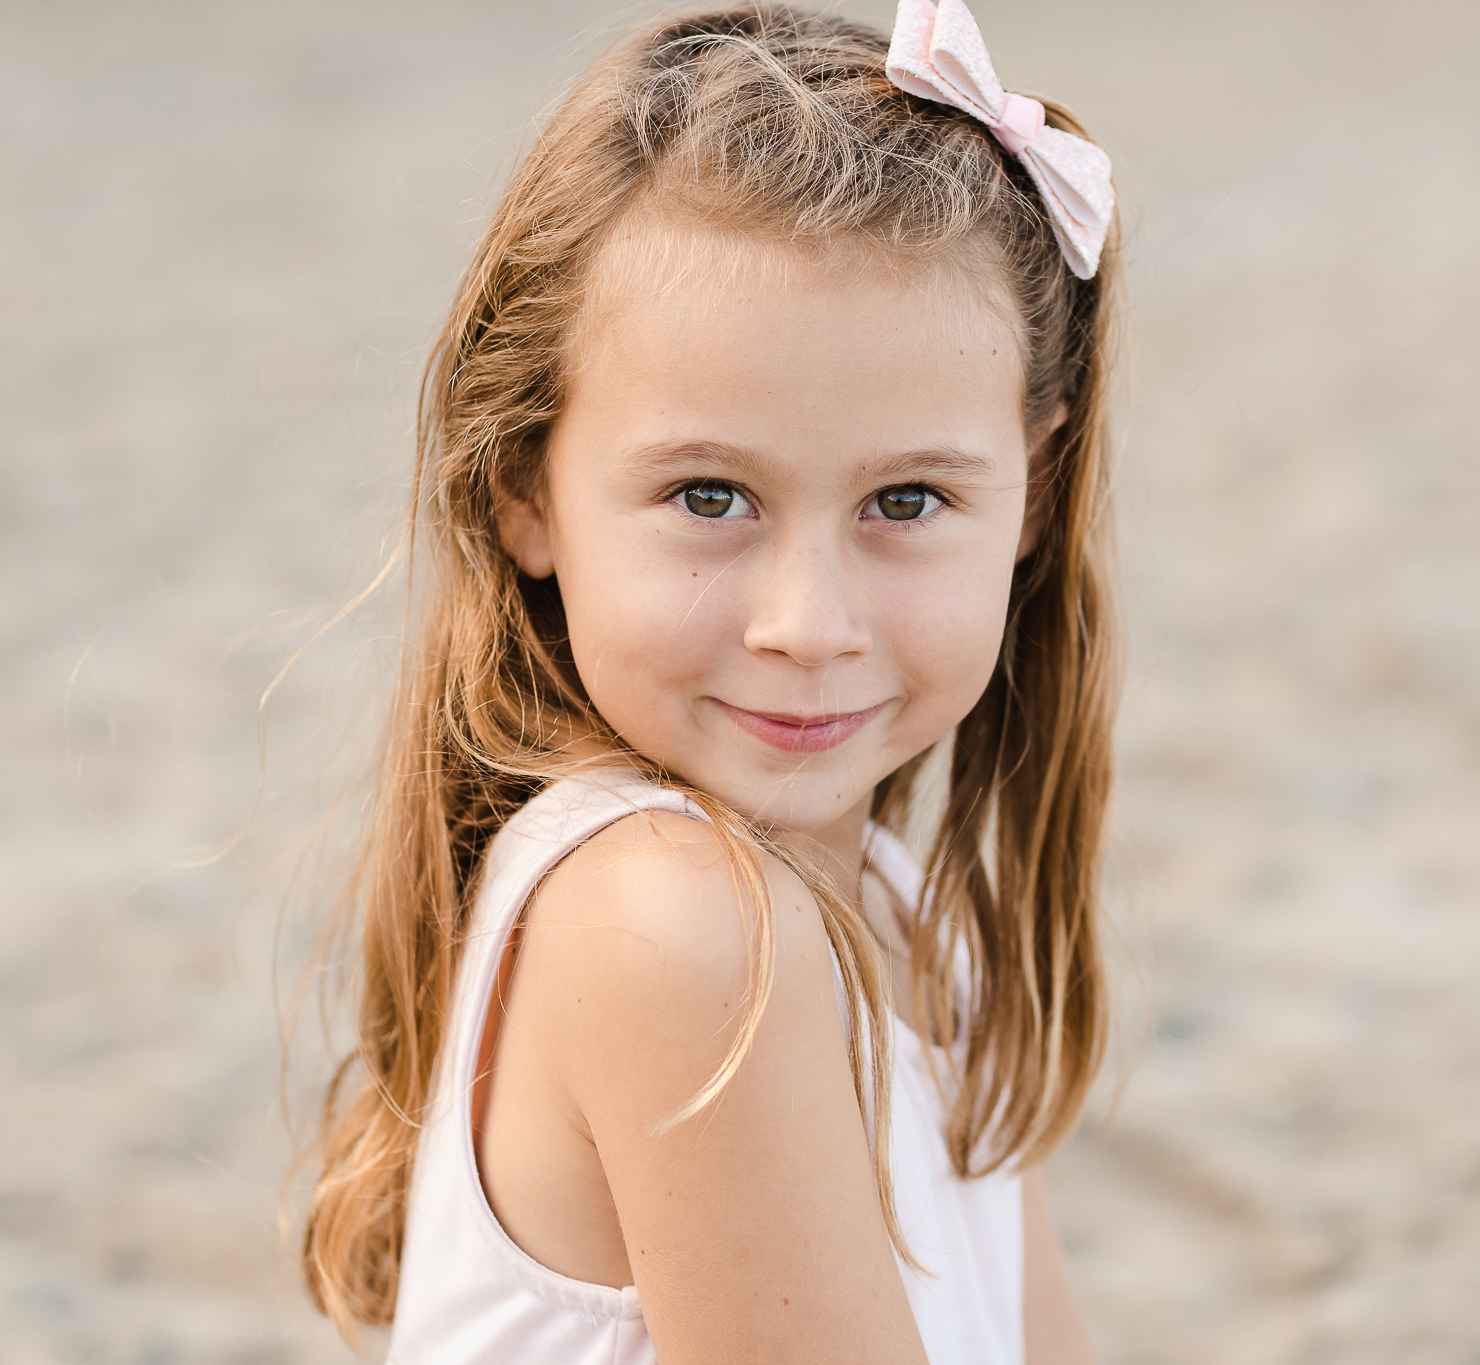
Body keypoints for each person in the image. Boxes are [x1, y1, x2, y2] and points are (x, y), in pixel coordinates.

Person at [301, 2, 1120, 1360]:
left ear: (1034, 488)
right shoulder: (675, 929)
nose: (809, 621)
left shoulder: (919, 924)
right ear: (525, 487)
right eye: (709, 494)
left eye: (906, 499)